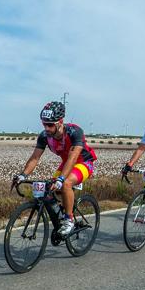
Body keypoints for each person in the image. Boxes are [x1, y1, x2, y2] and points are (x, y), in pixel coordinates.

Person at [14, 101, 97, 236]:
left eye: (50, 124)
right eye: (44, 124)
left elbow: (73, 157)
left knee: (65, 183)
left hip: (83, 162)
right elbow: (35, 158)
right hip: (66, 163)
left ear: (60, 122)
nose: (46, 128)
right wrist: (23, 175)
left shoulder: (74, 132)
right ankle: (63, 211)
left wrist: (61, 179)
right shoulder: (44, 136)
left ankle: (69, 220)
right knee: (49, 188)